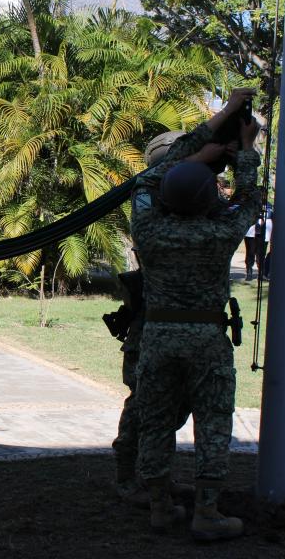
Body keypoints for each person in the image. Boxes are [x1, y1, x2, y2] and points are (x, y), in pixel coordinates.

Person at [130, 88, 260, 541]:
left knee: (156, 422)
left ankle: (161, 507)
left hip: (160, 335)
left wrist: (198, 152)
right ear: (209, 198)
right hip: (206, 339)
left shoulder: (148, 227)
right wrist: (245, 148)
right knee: (214, 422)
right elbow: (250, 198)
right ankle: (207, 512)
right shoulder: (221, 231)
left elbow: (147, 181)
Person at [110, 132, 192, 508]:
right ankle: (129, 475)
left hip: (187, 322)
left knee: (177, 406)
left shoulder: (191, 199)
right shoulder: (147, 198)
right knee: (143, 403)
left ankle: (156, 474)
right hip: (151, 322)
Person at [243, 191, 272, 281]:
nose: (262, 196)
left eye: (263, 194)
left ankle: (261, 274)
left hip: (264, 233)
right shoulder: (249, 204)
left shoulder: (269, 205)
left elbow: (271, 217)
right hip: (251, 232)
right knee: (250, 252)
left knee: (261, 254)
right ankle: (249, 272)